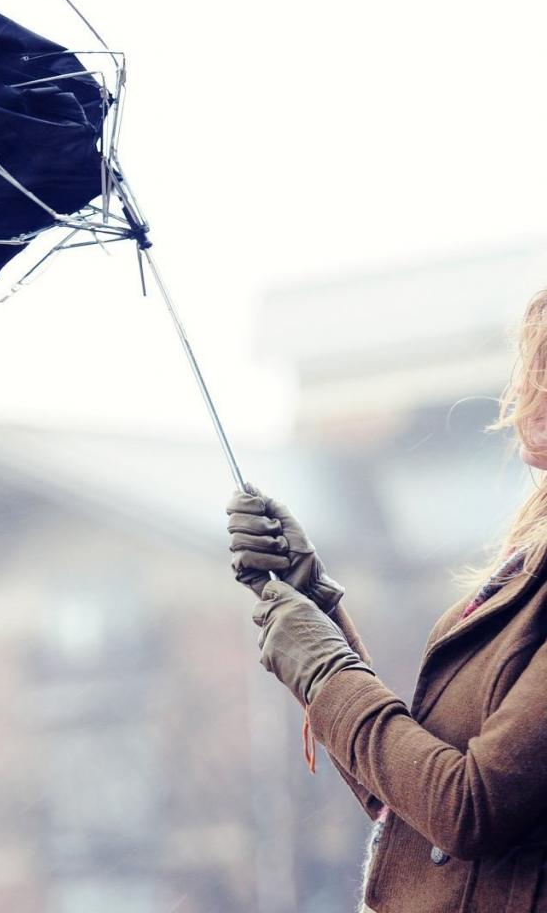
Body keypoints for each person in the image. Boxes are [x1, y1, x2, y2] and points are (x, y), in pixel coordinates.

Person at [225, 287, 547, 913]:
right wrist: (314, 602)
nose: (522, 392)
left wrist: (327, 672)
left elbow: (467, 810)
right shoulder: (526, 566)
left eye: (538, 366)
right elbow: (409, 802)